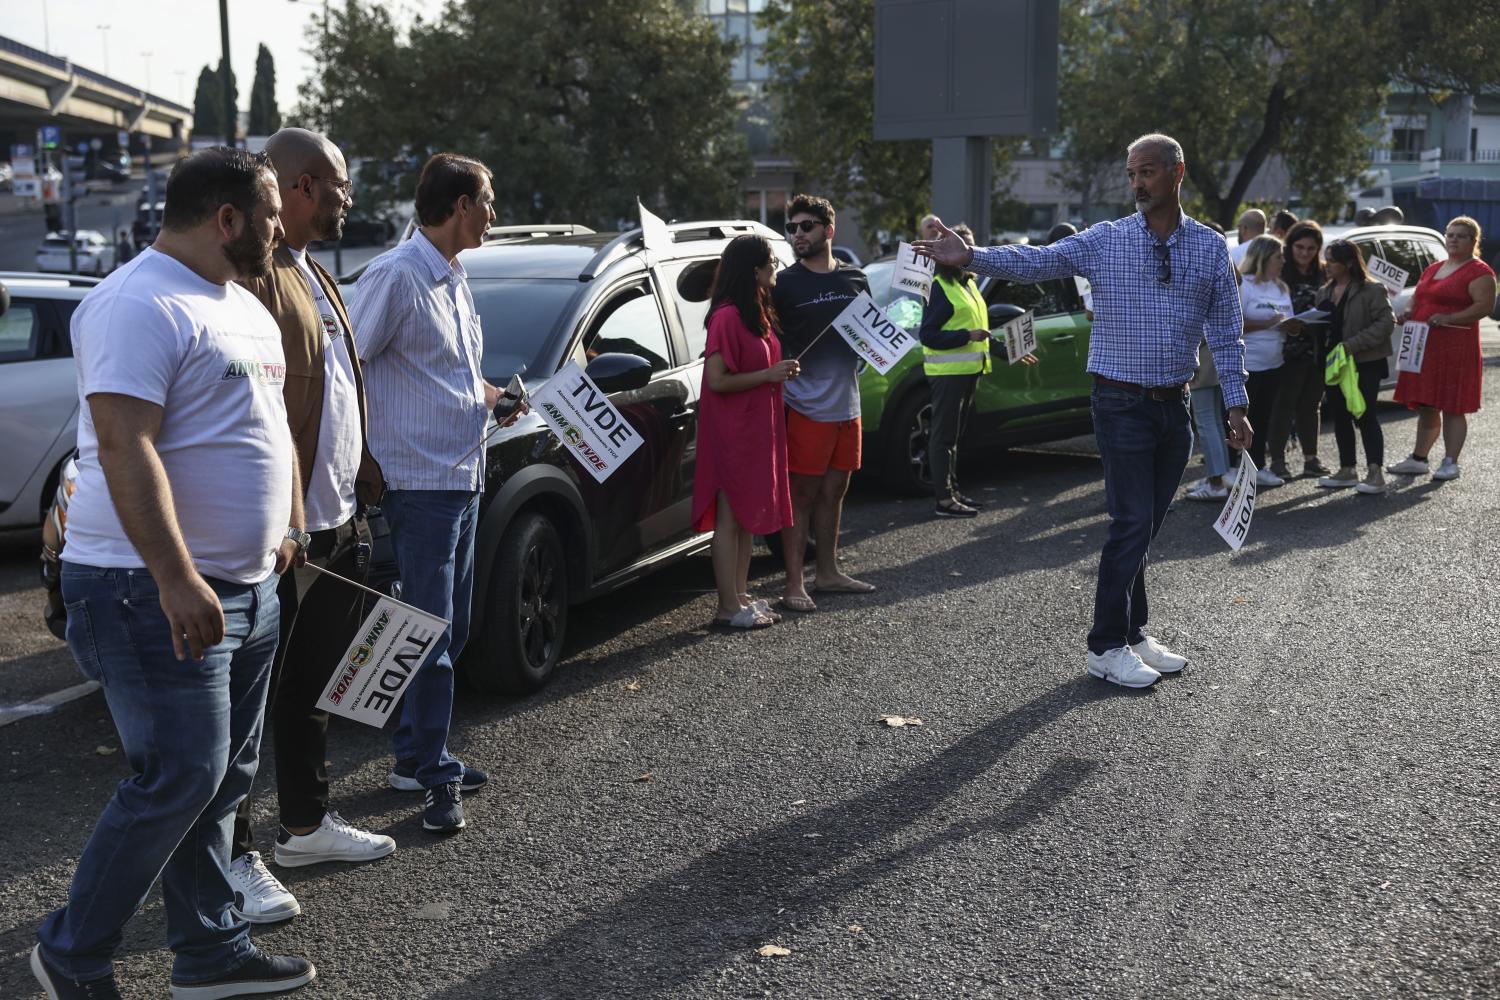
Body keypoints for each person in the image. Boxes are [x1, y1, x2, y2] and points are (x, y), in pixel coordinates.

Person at [31, 148, 316, 999]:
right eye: (268, 215)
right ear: (225, 218)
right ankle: (72, 954)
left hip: (250, 586)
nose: (279, 229)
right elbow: (124, 444)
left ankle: (211, 951)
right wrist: (176, 575)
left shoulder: (242, 305)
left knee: (222, 777)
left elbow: (263, 423)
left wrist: (289, 523)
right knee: (180, 776)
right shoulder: (135, 301)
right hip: (145, 588)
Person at [915, 132, 1250, 690]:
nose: (1138, 183)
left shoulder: (1211, 249)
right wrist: (972, 255)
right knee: (1129, 523)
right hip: (1119, 402)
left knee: (1147, 526)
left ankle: (1134, 632)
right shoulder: (1107, 240)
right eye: (1132, 173)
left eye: (1147, 171)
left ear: (1177, 172)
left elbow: (1226, 332)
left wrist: (1237, 403)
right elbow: (1037, 261)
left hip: (1176, 407)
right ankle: (1104, 646)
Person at [225, 128, 395, 925]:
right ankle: (234, 857)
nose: (346, 200)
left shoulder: (317, 274)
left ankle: (304, 826)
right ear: (296, 186)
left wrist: (362, 486)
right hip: (280, 533)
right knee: (246, 707)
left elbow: (337, 391)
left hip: (335, 522)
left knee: (310, 688)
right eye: (336, 186)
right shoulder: (252, 278)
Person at [350, 152, 517, 834]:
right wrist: (361, 457)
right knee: (430, 636)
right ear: (458, 205)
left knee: (453, 627)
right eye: (488, 201)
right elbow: (347, 367)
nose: (494, 214)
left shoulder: (453, 277)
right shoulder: (395, 275)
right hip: (417, 483)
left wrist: (499, 399)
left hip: (461, 473)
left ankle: (417, 755)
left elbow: (452, 376)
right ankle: (434, 776)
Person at [772, 193, 875, 613]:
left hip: (848, 404)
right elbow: (768, 339)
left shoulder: (855, 278)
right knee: (802, 493)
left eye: (806, 226)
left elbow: (870, 335)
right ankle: (794, 582)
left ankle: (828, 572)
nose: (798, 234)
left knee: (836, 488)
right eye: (792, 227)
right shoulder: (784, 284)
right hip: (804, 404)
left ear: (829, 231)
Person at [692, 234, 799, 627]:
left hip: (757, 427)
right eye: (771, 261)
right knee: (730, 517)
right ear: (753, 269)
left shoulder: (755, 309)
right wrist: (768, 374)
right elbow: (717, 380)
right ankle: (726, 608)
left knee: (745, 517)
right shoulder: (725, 316)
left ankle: (739, 597)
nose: (776, 268)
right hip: (733, 430)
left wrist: (778, 370)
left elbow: (758, 367)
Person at [919, 222, 1034, 517]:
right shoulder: (940, 286)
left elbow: (980, 333)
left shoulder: (967, 284)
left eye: (968, 244)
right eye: (959, 243)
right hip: (947, 375)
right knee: (943, 438)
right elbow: (928, 335)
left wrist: (1012, 352)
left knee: (953, 439)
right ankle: (943, 500)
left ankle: (953, 492)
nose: (964, 249)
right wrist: (965, 337)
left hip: (968, 372)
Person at [1387, 216, 1497, 481]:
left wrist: (1449, 318)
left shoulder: (1480, 272)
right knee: (1426, 403)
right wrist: (1408, 313)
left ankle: (1450, 462)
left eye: (1460, 235)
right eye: (1450, 235)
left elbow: (1484, 306)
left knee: (1452, 405)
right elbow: (1417, 298)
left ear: (1473, 241)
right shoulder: (1434, 267)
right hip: (1423, 345)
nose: (1454, 239)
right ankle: (1419, 458)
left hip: (1455, 348)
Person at [1313, 240, 1395, 493]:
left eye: (1333, 260)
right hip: (1334, 364)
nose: (1327, 265)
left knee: (1365, 413)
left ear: (1348, 263)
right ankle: (1347, 469)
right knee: (1339, 416)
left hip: (1364, 363)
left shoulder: (1372, 289)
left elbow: (1386, 323)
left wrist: (1354, 344)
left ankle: (1375, 473)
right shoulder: (1324, 292)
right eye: (1326, 259)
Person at [1269, 220, 1330, 479]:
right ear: (1290, 246)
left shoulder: (1324, 274)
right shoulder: (1280, 272)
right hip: (1286, 349)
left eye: (1311, 249)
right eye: (1300, 247)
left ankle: (1310, 458)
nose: (1305, 253)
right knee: (1283, 405)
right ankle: (1278, 461)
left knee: (1311, 405)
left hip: (1316, 349)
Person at [1238, 235, 1293, 486]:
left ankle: (1258, 467)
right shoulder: (1245, 285)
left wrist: (1294, 326)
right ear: (1262, 257)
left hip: (1275, 362)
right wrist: (1267, 323)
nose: (1283, 261)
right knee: (1242, 418)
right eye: (1278, 256)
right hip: (1248, 364)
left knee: (1263, 417)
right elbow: (1233, 324)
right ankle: (1237, 469)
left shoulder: (1281, 287)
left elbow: (1287, 319)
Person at [1184, 338, 1231, 501]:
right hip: (1215, 362)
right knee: (1214, 422)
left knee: (1206, 423)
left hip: (1201, 364)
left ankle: (1216, 484)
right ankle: (1219, 479)